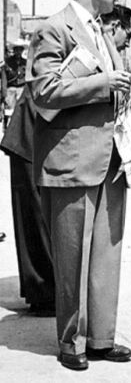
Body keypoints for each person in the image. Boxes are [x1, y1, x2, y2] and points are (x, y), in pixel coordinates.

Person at [27, 0, 131, 371]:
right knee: (73, 254)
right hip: (72, 159)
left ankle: (102, 338)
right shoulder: (55, 28)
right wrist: (103, 83)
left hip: (111, 159)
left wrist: (125, 91)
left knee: (107, 254)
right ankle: (70, 340)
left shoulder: (103, 32)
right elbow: (44, 92)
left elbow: (110, 83)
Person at [0, 86, 56, 317]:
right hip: (32, 137)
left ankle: (45, 292)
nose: (125, 47)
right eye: (123, 45)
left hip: (37, 135)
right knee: (36, 218)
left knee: (39, 218)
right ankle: (44, 294)